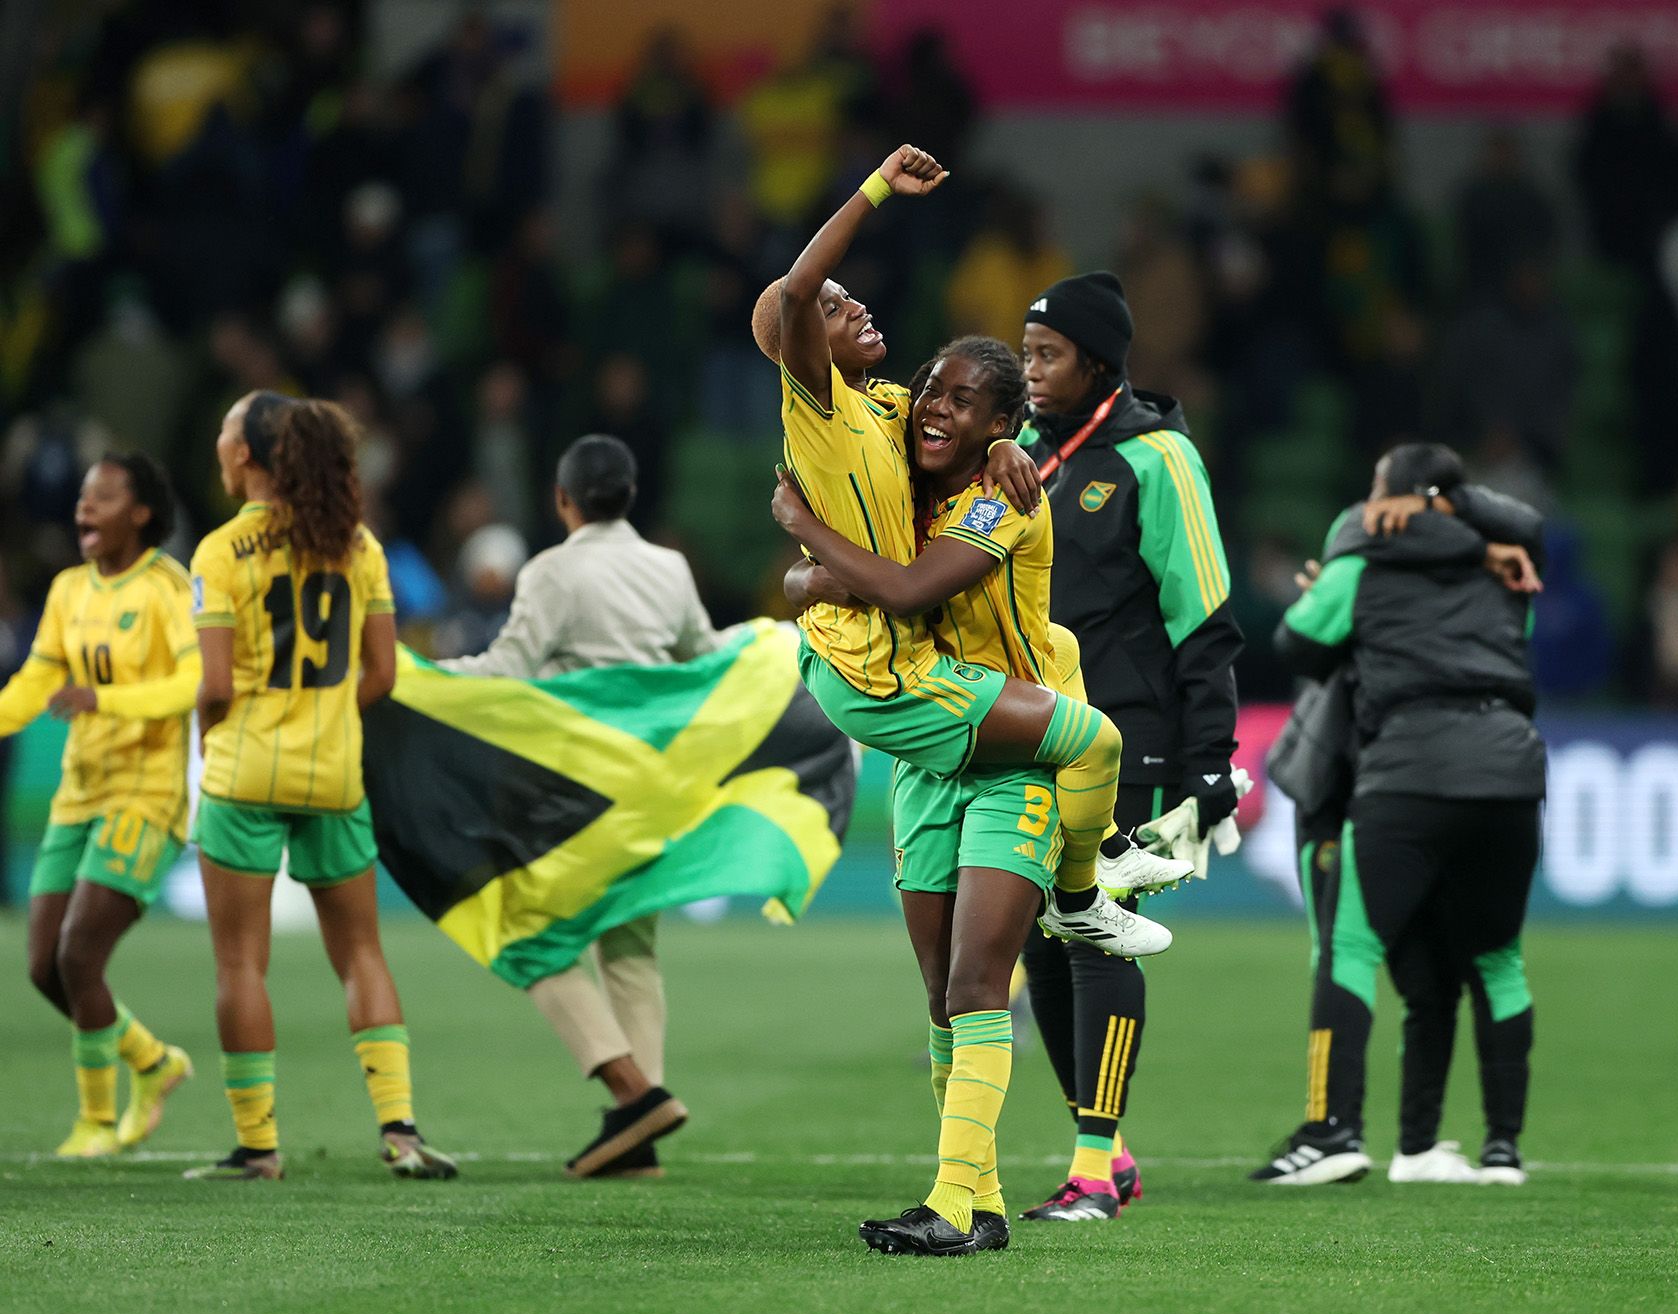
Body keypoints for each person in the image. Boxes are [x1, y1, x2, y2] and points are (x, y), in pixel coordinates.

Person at [749, 143, 1187, 957]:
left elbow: (933, 443)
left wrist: (1002, 446)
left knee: (1059, 644)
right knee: (1090, 737)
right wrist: (877, 187)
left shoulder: (881, 403)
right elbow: (798, 290)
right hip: (874, 665)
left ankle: (1096, 857)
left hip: (886, 636)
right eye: (839, 309)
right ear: (807, 339)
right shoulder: (815, 405)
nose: (857, 308)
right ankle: (1082, 887)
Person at [774, 335, 1080, 1255]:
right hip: (929, 757)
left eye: (964, 401)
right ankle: (978, 1203)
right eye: (929, 391)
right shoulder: (897, 480)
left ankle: (951, 1204)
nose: (935, 408)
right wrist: (809, 568)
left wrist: (806, 533)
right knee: (944, 996)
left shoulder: (1003, 495)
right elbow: (808, 587)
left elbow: (906, 591)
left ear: (1003, 425)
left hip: (1012, 747)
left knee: (979, 979)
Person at [1012, 271, 1245, 1221]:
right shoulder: (1023, 451)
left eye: (1047, 354)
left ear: (1098, 364)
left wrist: (1209, 760)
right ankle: (1107, 1148)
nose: (1029, 371)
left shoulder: (1159, 460)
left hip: (1128, 745)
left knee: (1098, 941)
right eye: (1025, 353)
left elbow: (1206, 618)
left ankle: (1094, 1166)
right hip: (1029, 732)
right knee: (1039, 949)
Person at [184, 392, 457, 1182]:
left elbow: (211, 685)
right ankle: (401, 1131)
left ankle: (259, 1146)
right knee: (361, 952)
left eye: (226, 430)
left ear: (247, 456)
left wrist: (215, 740)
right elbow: (383, 672)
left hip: (244, 770)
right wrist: (326, 714)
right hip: (333, 771)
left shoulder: (218, 553)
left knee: (240, 965)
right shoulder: (357, 545)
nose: (219, 441)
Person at [437, 434, 716, 1179]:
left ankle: (629, 1094)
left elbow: (507, 669)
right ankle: (640, 1129)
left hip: (571, 790)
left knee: (524, 931)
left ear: (562, 500)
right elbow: (703, 658)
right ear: (629, 497)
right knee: (630, 950)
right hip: (651, 784)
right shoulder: (669, 567)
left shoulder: (552, 571)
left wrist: (419, 680)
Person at [1255, 474, 1544, 1186]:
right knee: (1485, 963)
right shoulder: (1509, 572)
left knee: (1346, 947)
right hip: (1509, 771)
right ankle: (1492, 1147)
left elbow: (1296, 641)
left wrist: (1340, 576)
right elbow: (1516, 634)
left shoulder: (1361, 557)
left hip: (1398, 773)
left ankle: (1333, 1130)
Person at [0, 455, 198, 1158]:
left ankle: (95, 1119)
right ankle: (152, 1060)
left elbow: (191, 683)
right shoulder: (67, 590)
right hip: (80, 791)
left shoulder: (167, 588)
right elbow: (37, 679)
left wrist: (103, 698)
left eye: (103, 497)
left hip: (146, 795)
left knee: (79, 953)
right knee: (43, 967)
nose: (84, 509)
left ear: (140, 511)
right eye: (82, 496)